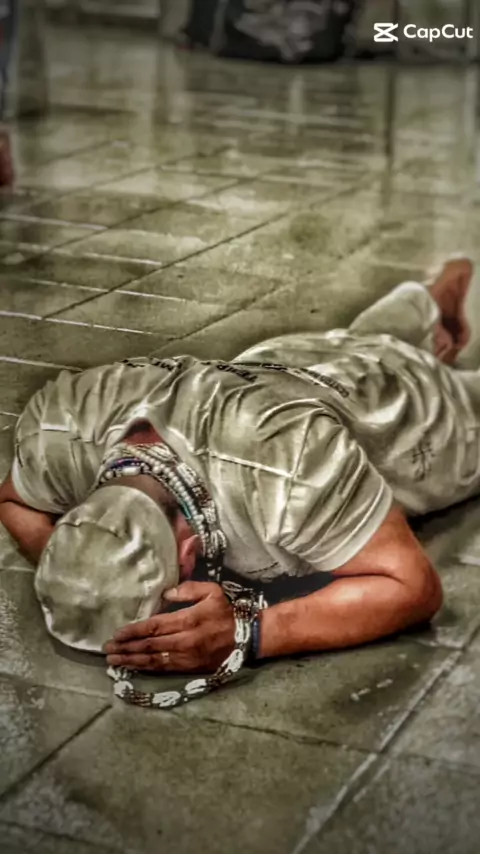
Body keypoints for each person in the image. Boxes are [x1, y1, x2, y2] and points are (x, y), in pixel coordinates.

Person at [0, 258, 477, 677]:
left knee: (414, 372)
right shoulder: (60, 424)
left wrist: (248, 633)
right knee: (363, 340)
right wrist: (80, 568)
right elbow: (13, 501)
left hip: (419, 414)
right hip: (292, 360)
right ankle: (428, 299)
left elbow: (412, 586)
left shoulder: (289, 473)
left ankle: (434, 320)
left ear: (188, 557)